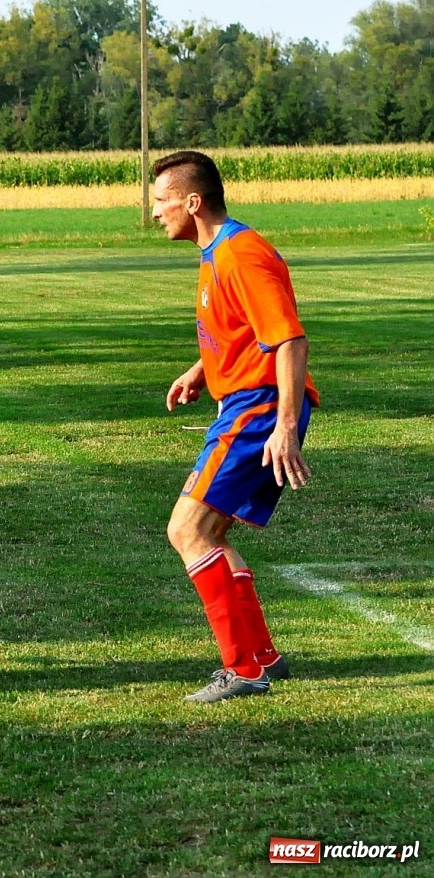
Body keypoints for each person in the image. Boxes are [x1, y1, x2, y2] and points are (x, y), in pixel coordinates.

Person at [152, 150, 317, 703]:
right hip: (244, 403)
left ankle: (244, 668)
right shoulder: (216, 252)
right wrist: (204, 368)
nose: (155, 213)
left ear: (192, 202)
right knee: (210, 533)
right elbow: (247, 328)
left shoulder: (241, 252)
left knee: (188, 530)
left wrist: (285, 425)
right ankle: (263, 656)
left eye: (161, 200)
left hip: (260, 409)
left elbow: (289, 339)